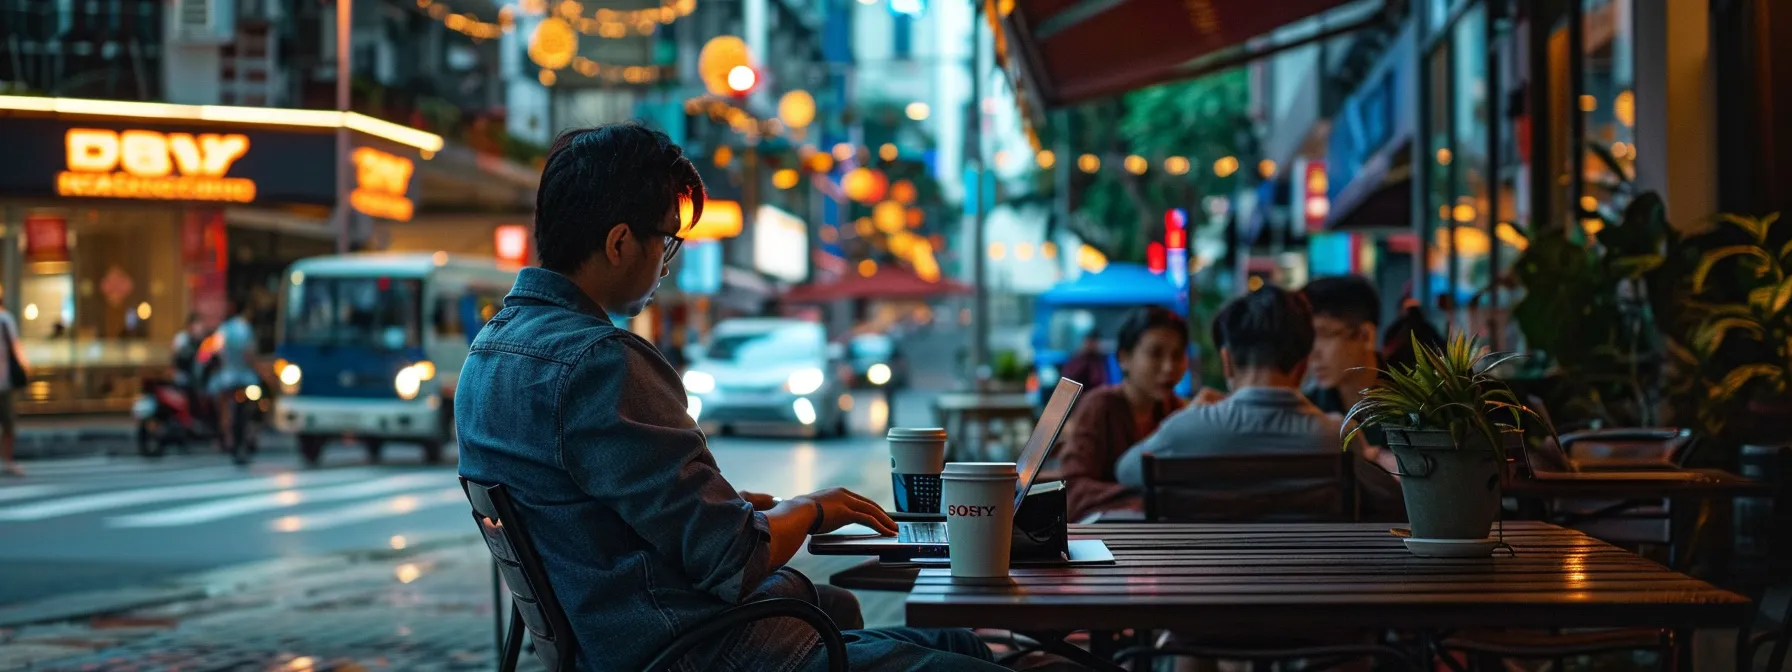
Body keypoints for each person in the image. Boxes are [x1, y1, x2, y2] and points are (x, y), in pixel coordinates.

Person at [455, 124, 1032, 671]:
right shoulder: (602, 362)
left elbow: (605, 513)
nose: (666, 262)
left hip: (610, 643)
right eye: (667, 240)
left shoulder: (488, 355)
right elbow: (730, 560)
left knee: (949, 640)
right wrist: (811, 510)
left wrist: (733, 510)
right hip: (695, 651)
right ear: (620, 242)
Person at [1113, 287, 1403, 520]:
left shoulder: (1183, 432)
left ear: (1227, 362)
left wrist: (1191, 412)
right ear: (1302, 366)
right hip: (1310, 590)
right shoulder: (1337, 436)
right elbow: (1394, 502)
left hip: (1203, 589)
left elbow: (1125, 471)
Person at [1057, 306, 1188, 522]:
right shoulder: (1100, 407)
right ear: (1124, 358)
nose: (1168, 367)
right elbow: (1072, 488)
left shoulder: (1179, 412)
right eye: (1155, 353)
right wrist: (1148, 499)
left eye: (1177, 355)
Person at [1301, 276, 1387, 446]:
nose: (1312, 353)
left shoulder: (1414, 406)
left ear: (1366, 335)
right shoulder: (1308, 413)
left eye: (1324, 335)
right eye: (1306, 338)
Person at [207, 298, 260, 453]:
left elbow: (215, 352)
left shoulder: (223, 329)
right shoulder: (245, 328)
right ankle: (251, 433)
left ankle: (226, 436)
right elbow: (250, 353)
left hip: (226, 377)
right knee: (255, 403)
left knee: (223, 407)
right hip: (245, 377)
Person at [0, 298, 24, 477]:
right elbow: (16, 346)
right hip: (4, 379)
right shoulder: (6, 319)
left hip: (5, 378)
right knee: (8, 423)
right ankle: (8, 462)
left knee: (8, 423)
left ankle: (8, 462)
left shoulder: (5, 320)